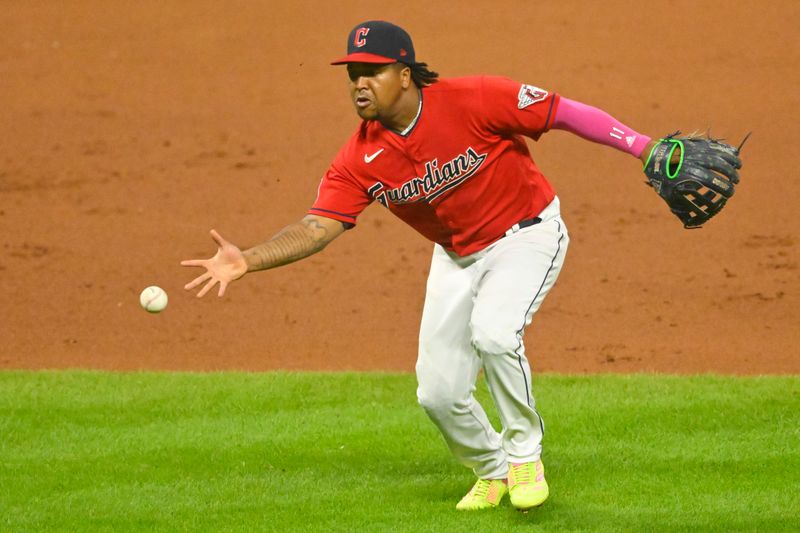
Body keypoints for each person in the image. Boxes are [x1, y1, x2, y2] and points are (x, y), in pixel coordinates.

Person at [182, 20, 662, 512]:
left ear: (405, 73)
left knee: (495, 334)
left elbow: (563, 113)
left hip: (526, 234)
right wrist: (249, 259)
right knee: (437, 394)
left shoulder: (473, 98)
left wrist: (644, 147)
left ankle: (523, 455)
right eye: (353, 74)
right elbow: (317, 226)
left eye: (373, 71)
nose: (360, 84)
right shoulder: (359, 157)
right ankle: (492, 469)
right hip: (456, 257)